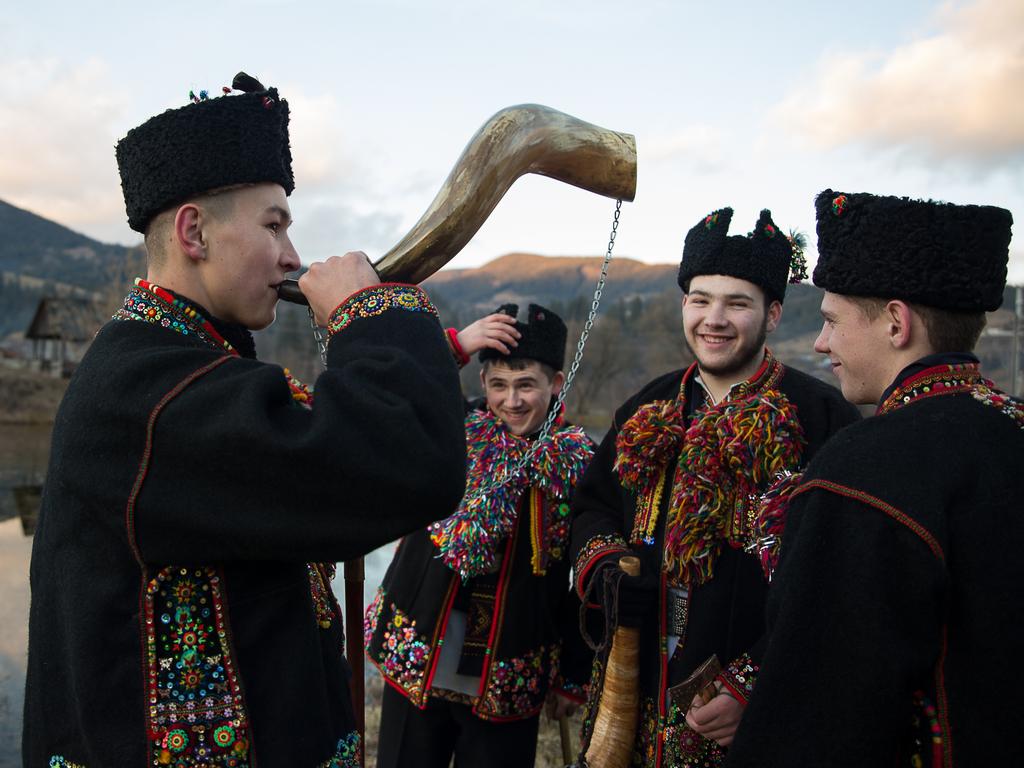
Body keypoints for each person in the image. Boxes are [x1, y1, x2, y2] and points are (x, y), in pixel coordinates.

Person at [23, 71, 467, 767]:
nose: (293, 256)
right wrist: (368, 315)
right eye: (273, 224)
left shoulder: (176, 364)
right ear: (194, 231)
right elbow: (409, 462)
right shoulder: (149, 392)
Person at [723, 190, 1020, 767]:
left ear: (895, 322)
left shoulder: (863, 469)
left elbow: (816, 715)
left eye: (832, 320)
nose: (820, 342)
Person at [569, 207, 861, 767]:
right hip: (636, 681)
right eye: (701, 299)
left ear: (773, 314)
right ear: (684, 304)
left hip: (746, 707)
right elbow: (593, 507)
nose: (715, 319)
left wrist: (755, 684)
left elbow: (838, 573)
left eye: (738, 303)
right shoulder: (645, 407)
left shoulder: (822, 420)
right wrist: (607, 570)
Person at [364, 303, 595, 768]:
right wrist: (453, 348)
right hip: (420, 651)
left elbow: (584, 580)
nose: (512, 402)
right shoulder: (449, 428)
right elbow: (386, 401)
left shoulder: (579, 464)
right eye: (499, 385)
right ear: (483, 384)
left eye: (526, 385)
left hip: (511, 667)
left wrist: (574, 675)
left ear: (554, 383)